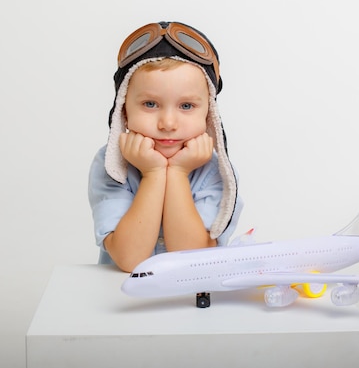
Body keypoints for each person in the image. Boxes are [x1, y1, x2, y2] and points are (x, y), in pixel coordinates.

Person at [88, 21, 243, 272]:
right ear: (124, 110)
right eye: (150, 104)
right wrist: (154, 174)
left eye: (186, 106)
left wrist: (179, 173)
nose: (168, 123)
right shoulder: (111, 165)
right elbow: (130, 260)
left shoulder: (217, 172)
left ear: (209, 115)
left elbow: (193, 260)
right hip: (124, 301)